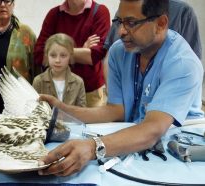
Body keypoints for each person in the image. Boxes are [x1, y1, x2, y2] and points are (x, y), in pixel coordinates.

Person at [37, 0, 204, 177]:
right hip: (134, 141)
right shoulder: (120, 52)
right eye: (119, 21)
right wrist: (61, 109)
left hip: (179, 152)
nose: (121, 31)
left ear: (161, 24)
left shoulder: (183, 63)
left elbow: (153, 129)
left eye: (131, 23)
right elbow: (116, 111)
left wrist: (93, 147)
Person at [103, 0, 202, 90]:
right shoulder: (125, 11)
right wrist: (113, 92)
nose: (122, 30)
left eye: (132, 23)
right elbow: (109, 56)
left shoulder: (182, 13)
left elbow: (191, 69)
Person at [34, 0, 110, 107]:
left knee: (90, 123)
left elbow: (95, 55)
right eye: (54, 55)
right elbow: (39, 55)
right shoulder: (54, 15)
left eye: (63, 55)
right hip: (56, 91)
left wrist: (56, 51)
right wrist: (81, 50)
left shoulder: (99, 12)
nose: (58, 58)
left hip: (91, 94)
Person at [32, 33, 86, 107]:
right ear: (47, 55)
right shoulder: (38, 81)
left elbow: (81, 111)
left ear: (70, 56)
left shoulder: (78, 82)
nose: (57, 60)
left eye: (63, 55)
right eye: (53, 55)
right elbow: (33, 109)